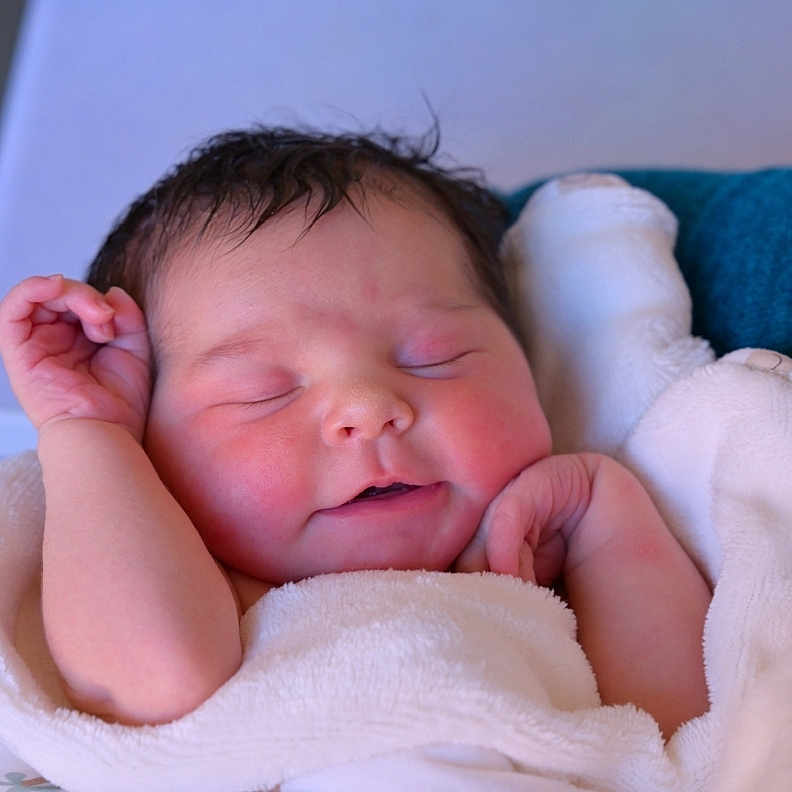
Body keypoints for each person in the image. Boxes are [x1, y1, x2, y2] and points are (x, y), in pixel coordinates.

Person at [0, 125, 711, 738]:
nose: (370, 407)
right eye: (264, 392)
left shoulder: (544, 570)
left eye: (436, 357)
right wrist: (87, 432)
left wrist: (604, 515)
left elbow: (680, 730)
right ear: (152, 455)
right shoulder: (207, 591)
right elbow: (151, 689)